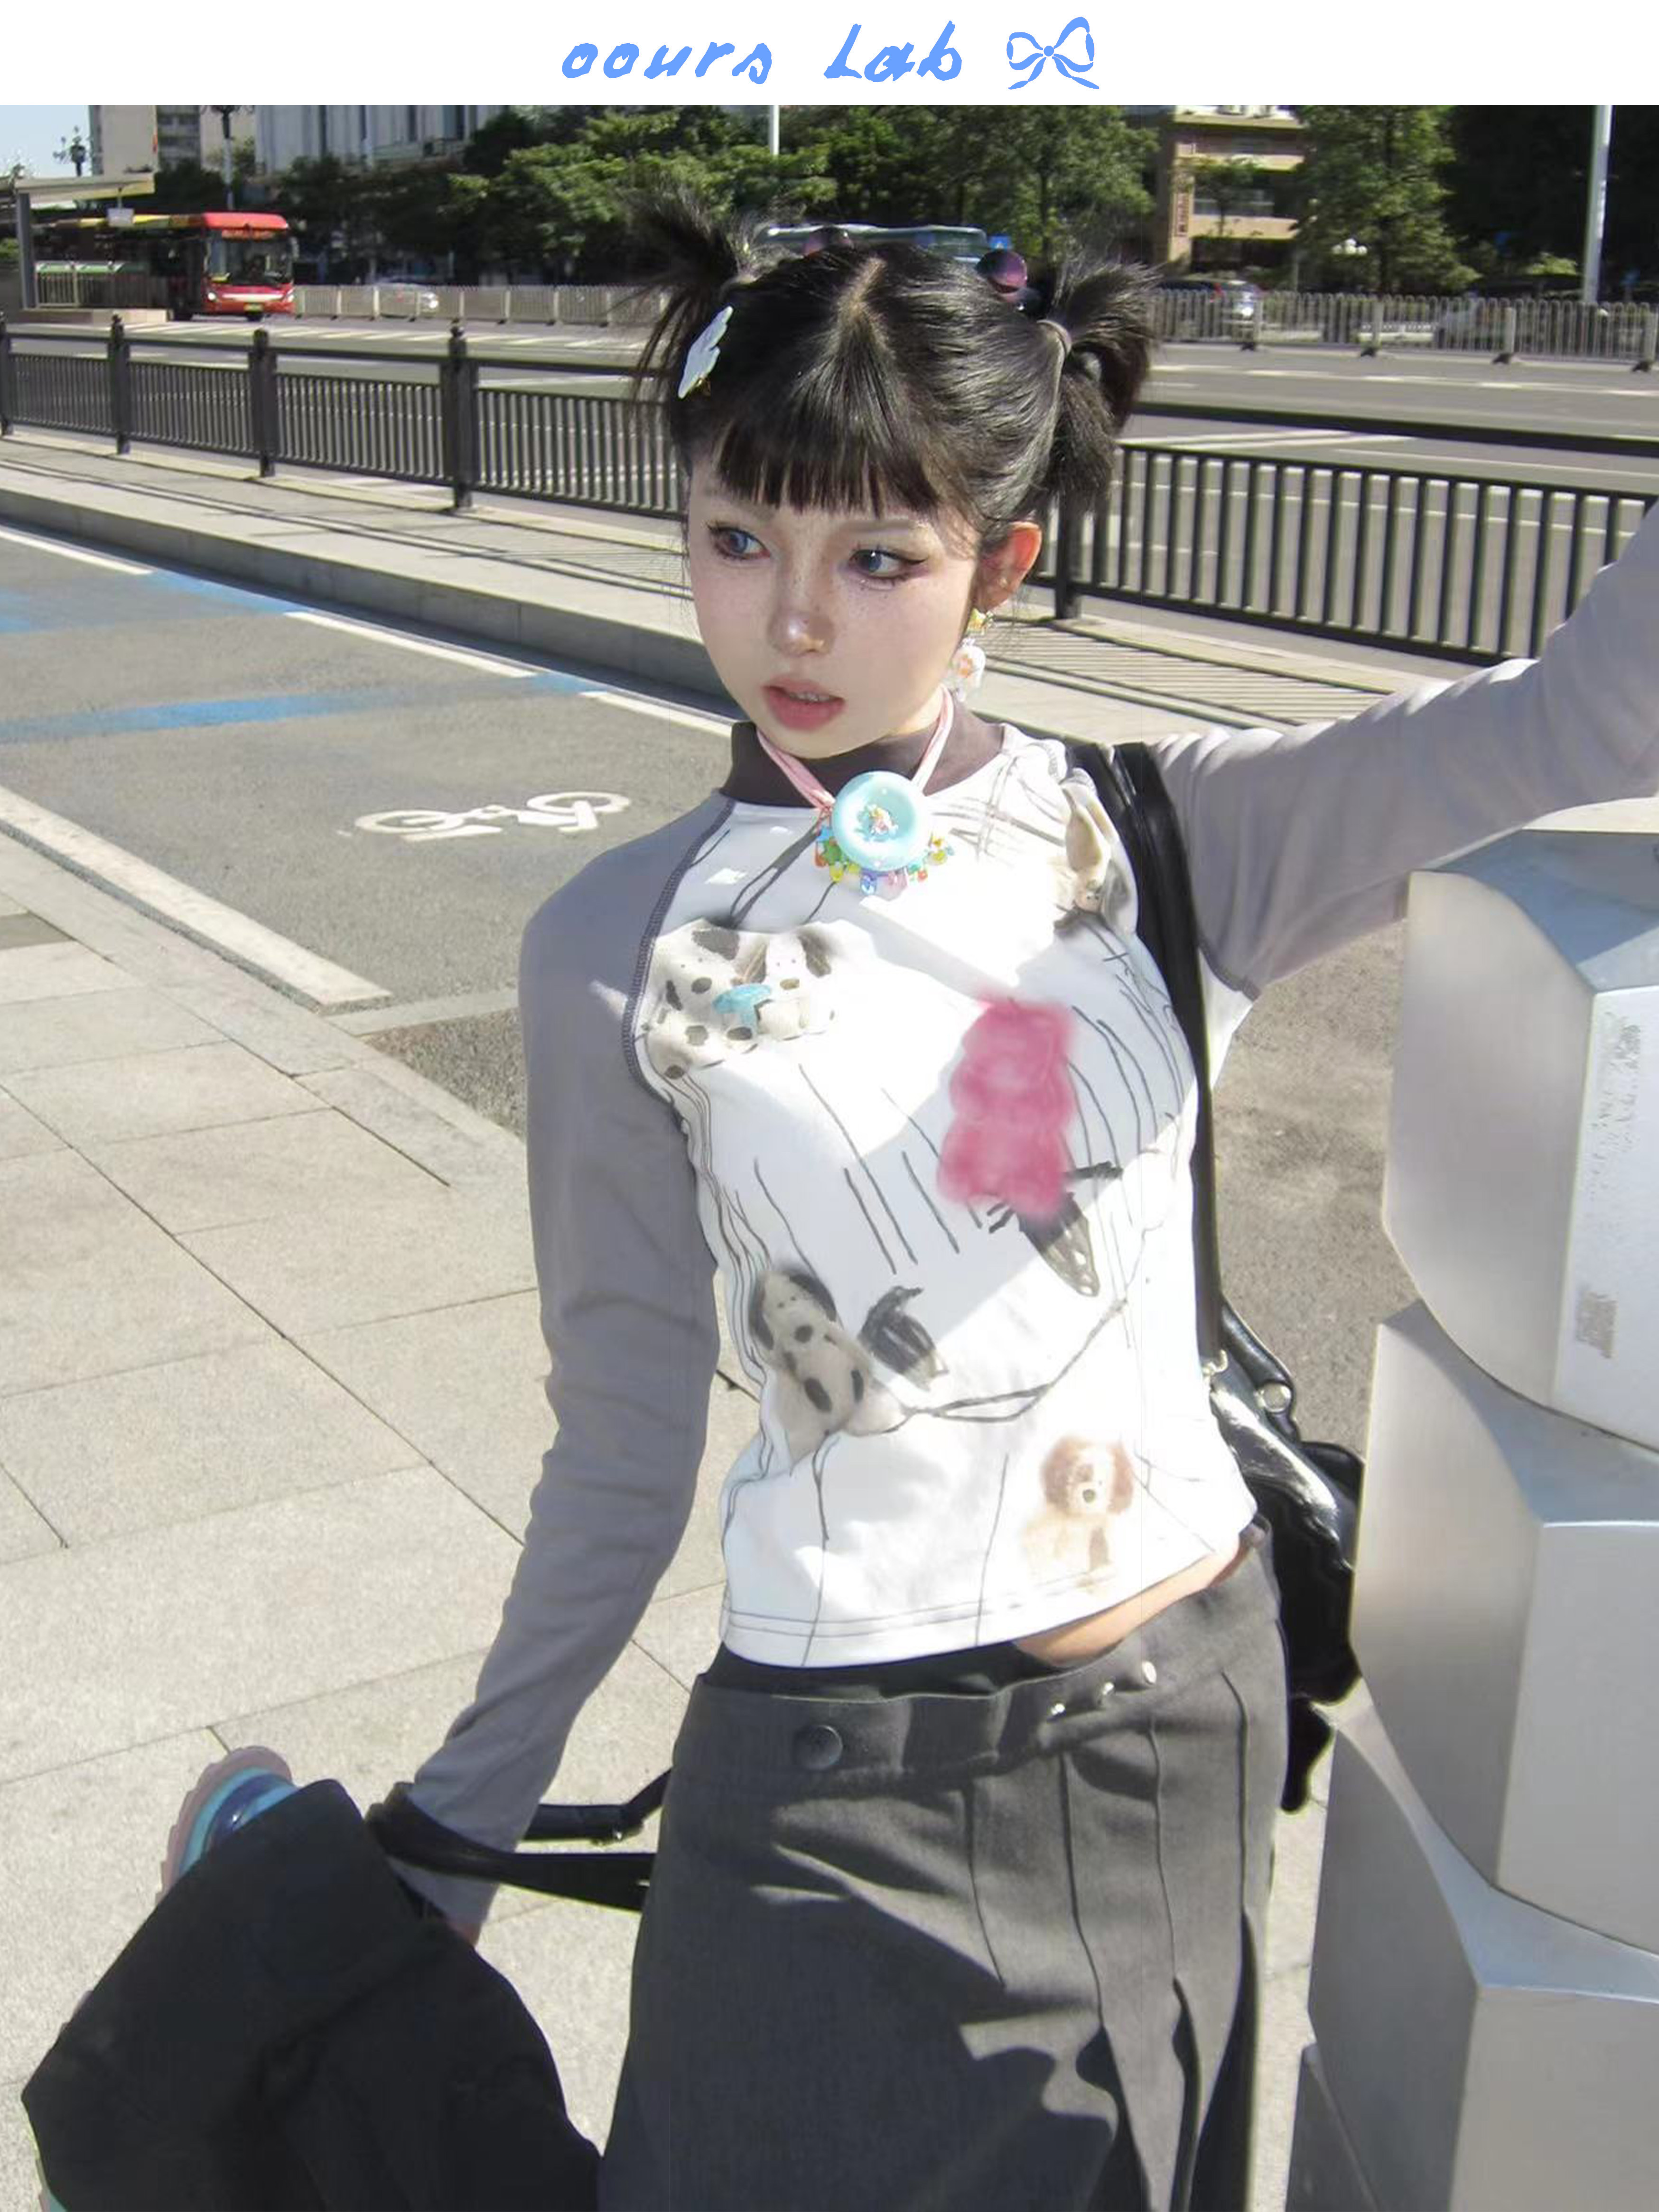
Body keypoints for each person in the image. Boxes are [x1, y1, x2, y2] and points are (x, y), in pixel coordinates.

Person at [393, 192, 1659, 2210]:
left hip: (1176, 1727)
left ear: (1004, 559)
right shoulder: (611, 947)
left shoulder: (1162, 836)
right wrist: (456, 1831)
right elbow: (619, 1455)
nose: (793, 623)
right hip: (832, 1786)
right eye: (738, 537)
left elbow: (1593, 714)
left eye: (878, 557)